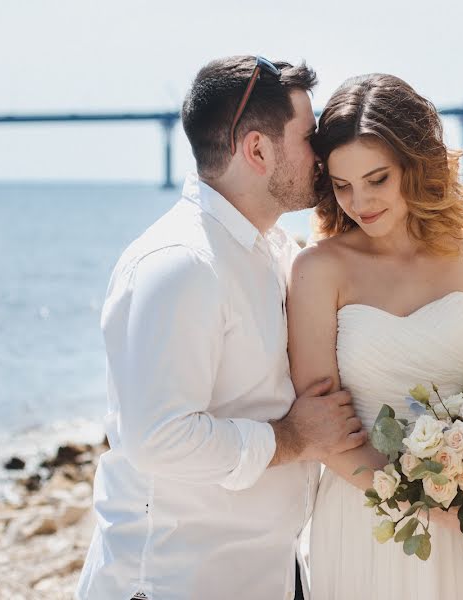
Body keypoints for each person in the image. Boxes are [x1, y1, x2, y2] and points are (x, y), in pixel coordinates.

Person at [76, 56, 365, 600]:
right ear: (257, 149)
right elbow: (158, 439)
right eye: (309, 137)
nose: (322, 155)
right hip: (176, 580)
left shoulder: (276, 250)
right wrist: (294, 438)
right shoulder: (181, 263)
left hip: (269, 572)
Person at [291, 73, 463, 599]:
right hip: (370, 519)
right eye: (342, 184)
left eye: (377, 179)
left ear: (416, 166)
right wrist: (432, 508)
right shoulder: (319, 270)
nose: (360, 202)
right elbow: (322, 429)